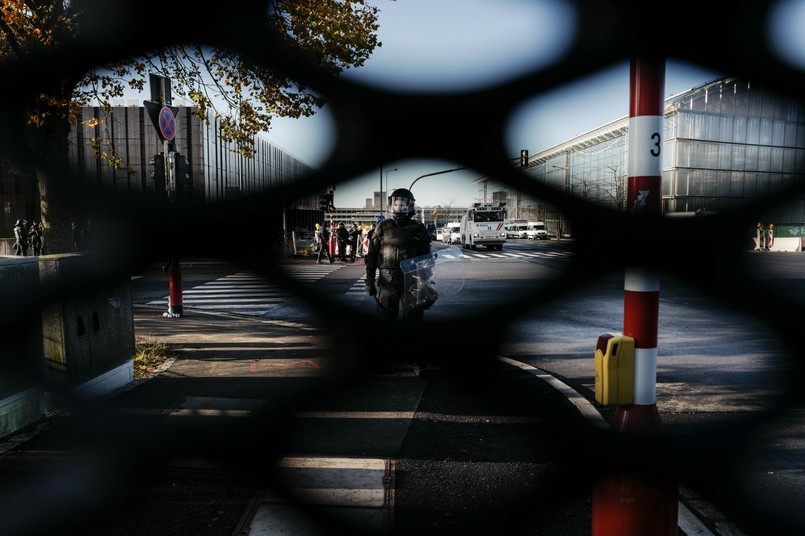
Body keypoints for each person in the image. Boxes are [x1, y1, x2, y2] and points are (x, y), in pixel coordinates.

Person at [364, 188, 431, 322]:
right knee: (386, 317)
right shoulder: (382, 227)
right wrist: (369, 280)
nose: (398, 207)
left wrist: (425, 283)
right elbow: (371, 256)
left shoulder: (418, 228)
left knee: (413, 318)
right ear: (391, 205)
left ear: (409, 206)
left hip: (412, 280)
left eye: (402, 204)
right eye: (396, 204)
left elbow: (426, 259)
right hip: (388, 280)